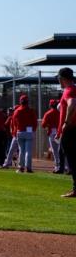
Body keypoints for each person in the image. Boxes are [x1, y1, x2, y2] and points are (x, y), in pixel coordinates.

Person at [55, 67, 76, 198]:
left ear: (62, 79)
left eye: (59, 79)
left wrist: (66, 123)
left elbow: (72, 103)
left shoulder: (69, 90)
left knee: (73, 160)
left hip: (71, 129)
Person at [12, 95, 37, 173]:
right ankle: (28, 168)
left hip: (20, 131)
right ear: (27, 101)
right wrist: (33, 130)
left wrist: (14, 131)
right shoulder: (31, 110)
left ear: (20, 101)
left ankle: (21, 167)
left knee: (22, 151)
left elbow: (14, 122)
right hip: (29, 132)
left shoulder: (17, 110)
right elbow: (35, 122)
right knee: (28, 151)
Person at [41, 99, 60, 172]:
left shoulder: (48, 113)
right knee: (61, 150)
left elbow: (43, 125)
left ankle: (57, 166)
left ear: (50, 105)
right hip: (60, 132)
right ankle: (65, 166)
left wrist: (48, 125)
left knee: (55, 151)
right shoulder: (60, 112)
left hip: (52, 133)